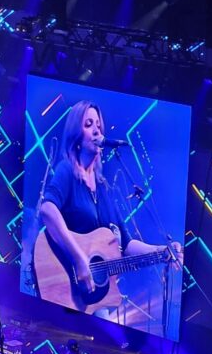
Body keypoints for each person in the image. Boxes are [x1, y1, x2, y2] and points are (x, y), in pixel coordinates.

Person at [37, 100, 182, 309]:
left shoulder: (105, 189)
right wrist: (79, 259)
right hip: (63, 285)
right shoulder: (67, 170)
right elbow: (47, 210)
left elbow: (127, 244)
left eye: (98, 125)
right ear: (76, 137)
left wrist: (161, 250)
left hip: (94, 298)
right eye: (88, 124)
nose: (96, 130)